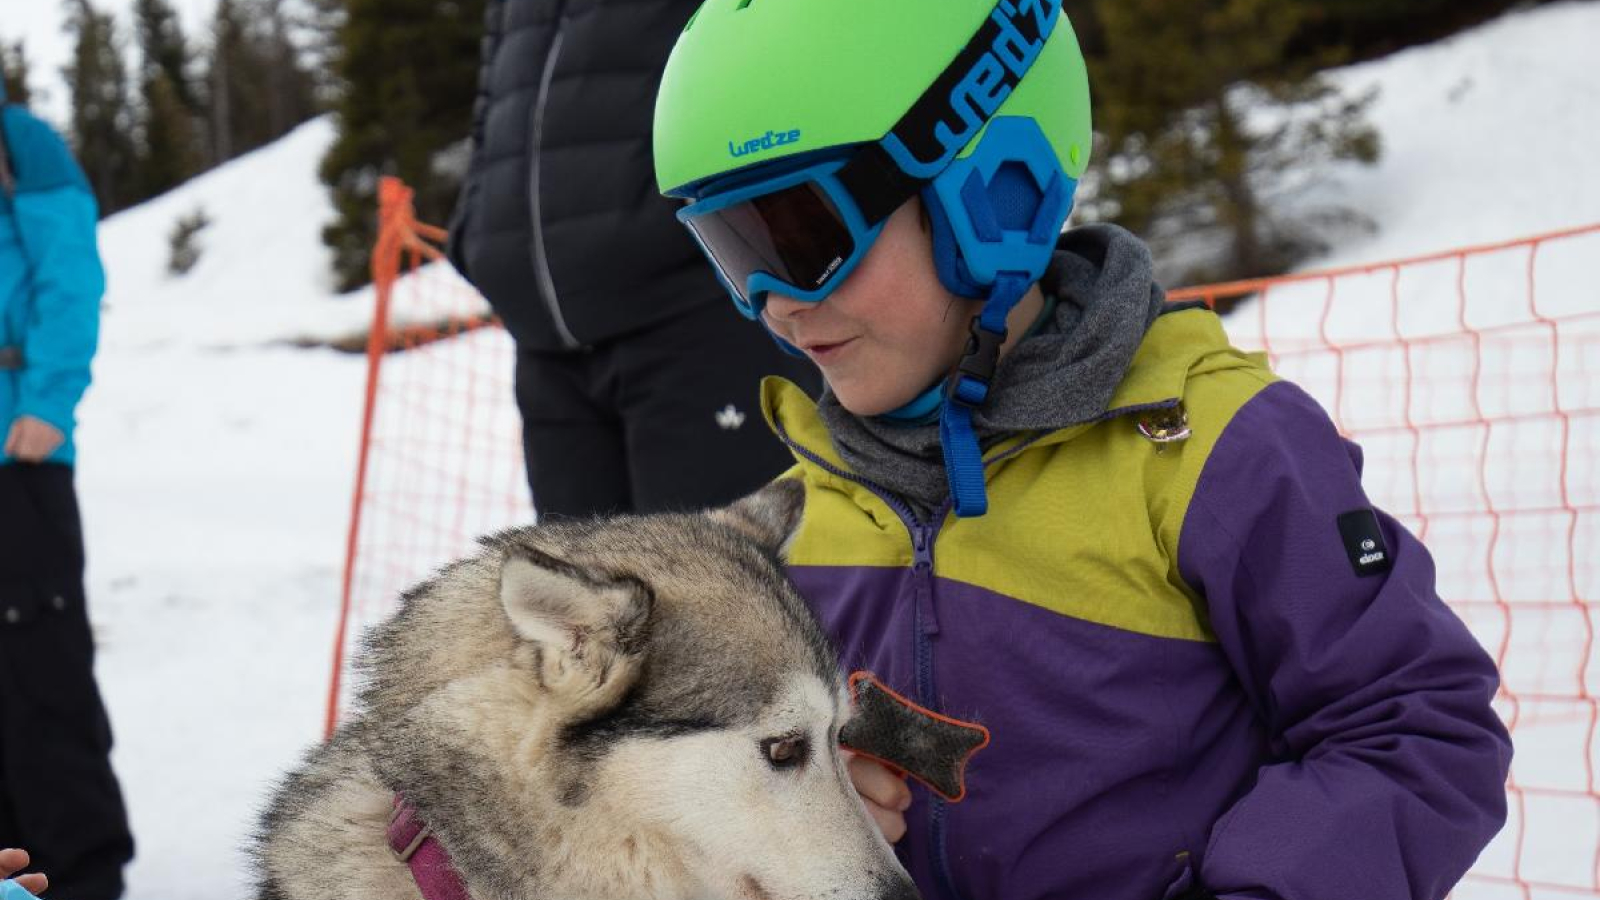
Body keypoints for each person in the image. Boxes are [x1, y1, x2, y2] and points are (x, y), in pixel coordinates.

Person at [651, 2, 1513, 900]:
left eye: (801, 239)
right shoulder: (797, 520)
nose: (773, 302)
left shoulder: (1212, 451)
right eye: (731, 247)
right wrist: (812, 821)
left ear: (989, 191)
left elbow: (1414, 730)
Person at [445, 0, 820, 519]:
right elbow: (496, 89)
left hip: (691, 321)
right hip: (547, 350)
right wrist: (476, 227)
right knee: (578, 590)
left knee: (718, 586)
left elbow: (765, 47)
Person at [1, 83, 134, 900]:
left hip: (19, 459)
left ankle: (82, 875)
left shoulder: (21, 144)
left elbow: (69, 276)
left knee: (41, 673)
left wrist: (49, 402)